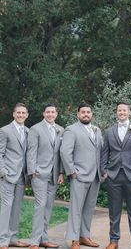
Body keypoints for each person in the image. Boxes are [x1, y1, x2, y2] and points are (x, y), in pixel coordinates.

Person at [101, 102, 131, 249]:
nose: (121, 112)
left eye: (124, 110)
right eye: (119, 110)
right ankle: (114, 240)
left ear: (129, 112)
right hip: (114, 176)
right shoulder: (109, 131)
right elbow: (104, 153)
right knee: (114, 211)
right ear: (116, 112)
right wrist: (104, 171)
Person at [60, 103, 103, 249]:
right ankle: (74, 239)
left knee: (89, 208)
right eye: (83, 112)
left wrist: (103, 171)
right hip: (78, 175)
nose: (86, 114)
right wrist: (71, 171)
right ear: (78, 114)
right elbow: (65, 152)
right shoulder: (71, 130)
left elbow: (100, 152)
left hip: (95, 176)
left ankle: (84, 236)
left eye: (88, 112)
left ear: (92, 115)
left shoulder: (97, 130)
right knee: (76, 209)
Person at [27, 103, 64, 249]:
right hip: (39, 174)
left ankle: (44, 238)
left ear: (56, 114)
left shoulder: (60, 130)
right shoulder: (35, 129)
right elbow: (31, 152)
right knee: (40, 206)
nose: (50, 114)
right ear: (44, 114)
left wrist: (61, 172)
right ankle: (34, 242)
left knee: (48, 207)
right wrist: (33, 171)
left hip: (54, 175)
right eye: (47, 112)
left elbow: (61, 154)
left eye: (53, 112)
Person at [0, 103, 30, 249]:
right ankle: (2, 240)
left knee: (17, 208)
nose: (20, 115)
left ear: (27, 115)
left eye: (23, 113)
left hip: (21, 177)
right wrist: (3, 172)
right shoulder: (4, 131)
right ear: (13, 114)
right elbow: (0, 153)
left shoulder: (28, 131)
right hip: (8, 175)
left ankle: (12, 238)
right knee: (6, 207)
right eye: (18, 112)